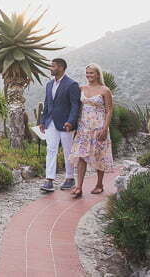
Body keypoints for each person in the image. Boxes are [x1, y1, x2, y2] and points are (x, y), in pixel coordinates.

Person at [68, 62, 114, 198]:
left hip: (99, 127)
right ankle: (78, 187)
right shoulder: (82, 88)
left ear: (98, 74)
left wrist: (105, 128)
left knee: (99, 155)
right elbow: (75, 106)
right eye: (87, 73)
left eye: (91, 73)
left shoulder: (105, 90)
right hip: (84, 128)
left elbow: (109, 110)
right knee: (81, 156)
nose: (89, 75)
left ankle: (99, 184)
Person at [38, 58, 81, 192]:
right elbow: (47, 103)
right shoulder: (49, 84)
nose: (50, 68)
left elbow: (75, 106)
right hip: (50, 122)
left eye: (53, 66)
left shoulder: (72, 84)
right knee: (51, 149)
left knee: (68, 151)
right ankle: (49, 180)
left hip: (66, 123)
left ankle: (70, 178)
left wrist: (71, 121)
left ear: (61, 67)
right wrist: (43, 121)